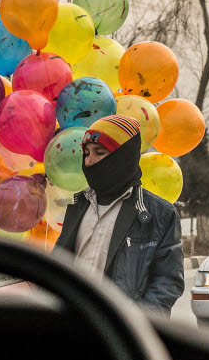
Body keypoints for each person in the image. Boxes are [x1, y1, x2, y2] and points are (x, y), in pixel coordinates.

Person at [54, 115, 184, 312]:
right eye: (86, 153)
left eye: (99, 152)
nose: (89, 162)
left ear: (123, 156)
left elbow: (168, 282)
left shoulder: (159, 214)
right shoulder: (77, 204)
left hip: (119, 333)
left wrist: (132, 322)